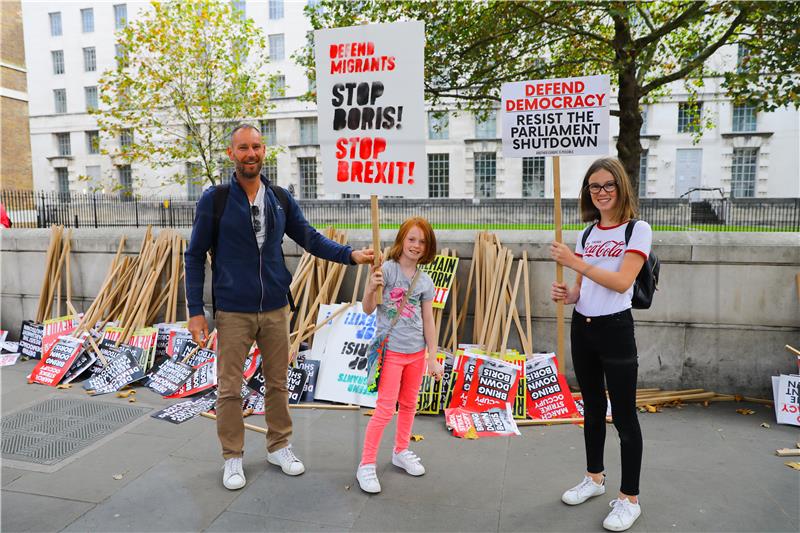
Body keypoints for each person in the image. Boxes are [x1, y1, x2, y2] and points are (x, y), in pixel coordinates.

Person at [185, 124, 374, 491]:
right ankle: (233, 456)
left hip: (275, 308)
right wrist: (196, 311)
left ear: (264, 152)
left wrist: (350, 255)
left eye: (256, 146)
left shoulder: (280, 198)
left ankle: (279, 446)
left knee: (277, 384)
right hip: (233, 311)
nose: (251, 153)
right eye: (243, 148)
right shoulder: (216, 199)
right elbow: (194, 257)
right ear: (231, 154)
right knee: (229, 389)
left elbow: (310, 238)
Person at [549, 157, 652, 532]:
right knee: (592, 409)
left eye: (608, 185)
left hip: (616, 329)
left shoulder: (637, 230)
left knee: (624, 416)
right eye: (594, 187)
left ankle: (629, 498)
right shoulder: (588, 234)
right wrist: (569, 294)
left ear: (621, 187)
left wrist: (574, 264)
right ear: (587, 193)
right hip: (584, 327)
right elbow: (584, 289)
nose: (602, 192)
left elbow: (623, 282)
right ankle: (594, 478)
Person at [356, 217, 444, 494]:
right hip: (391, 351)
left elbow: (428, 320)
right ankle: (366, 464)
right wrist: (371, 287)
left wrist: (432, 355)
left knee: (408, 404)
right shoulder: (387, 270)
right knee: (384, 409)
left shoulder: (425, 281)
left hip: (416, 353)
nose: (416, 245)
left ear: (427, 247)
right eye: (412, 239)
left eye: (422, 241)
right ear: (401, 240)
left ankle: (401, 450)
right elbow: (368, 309)